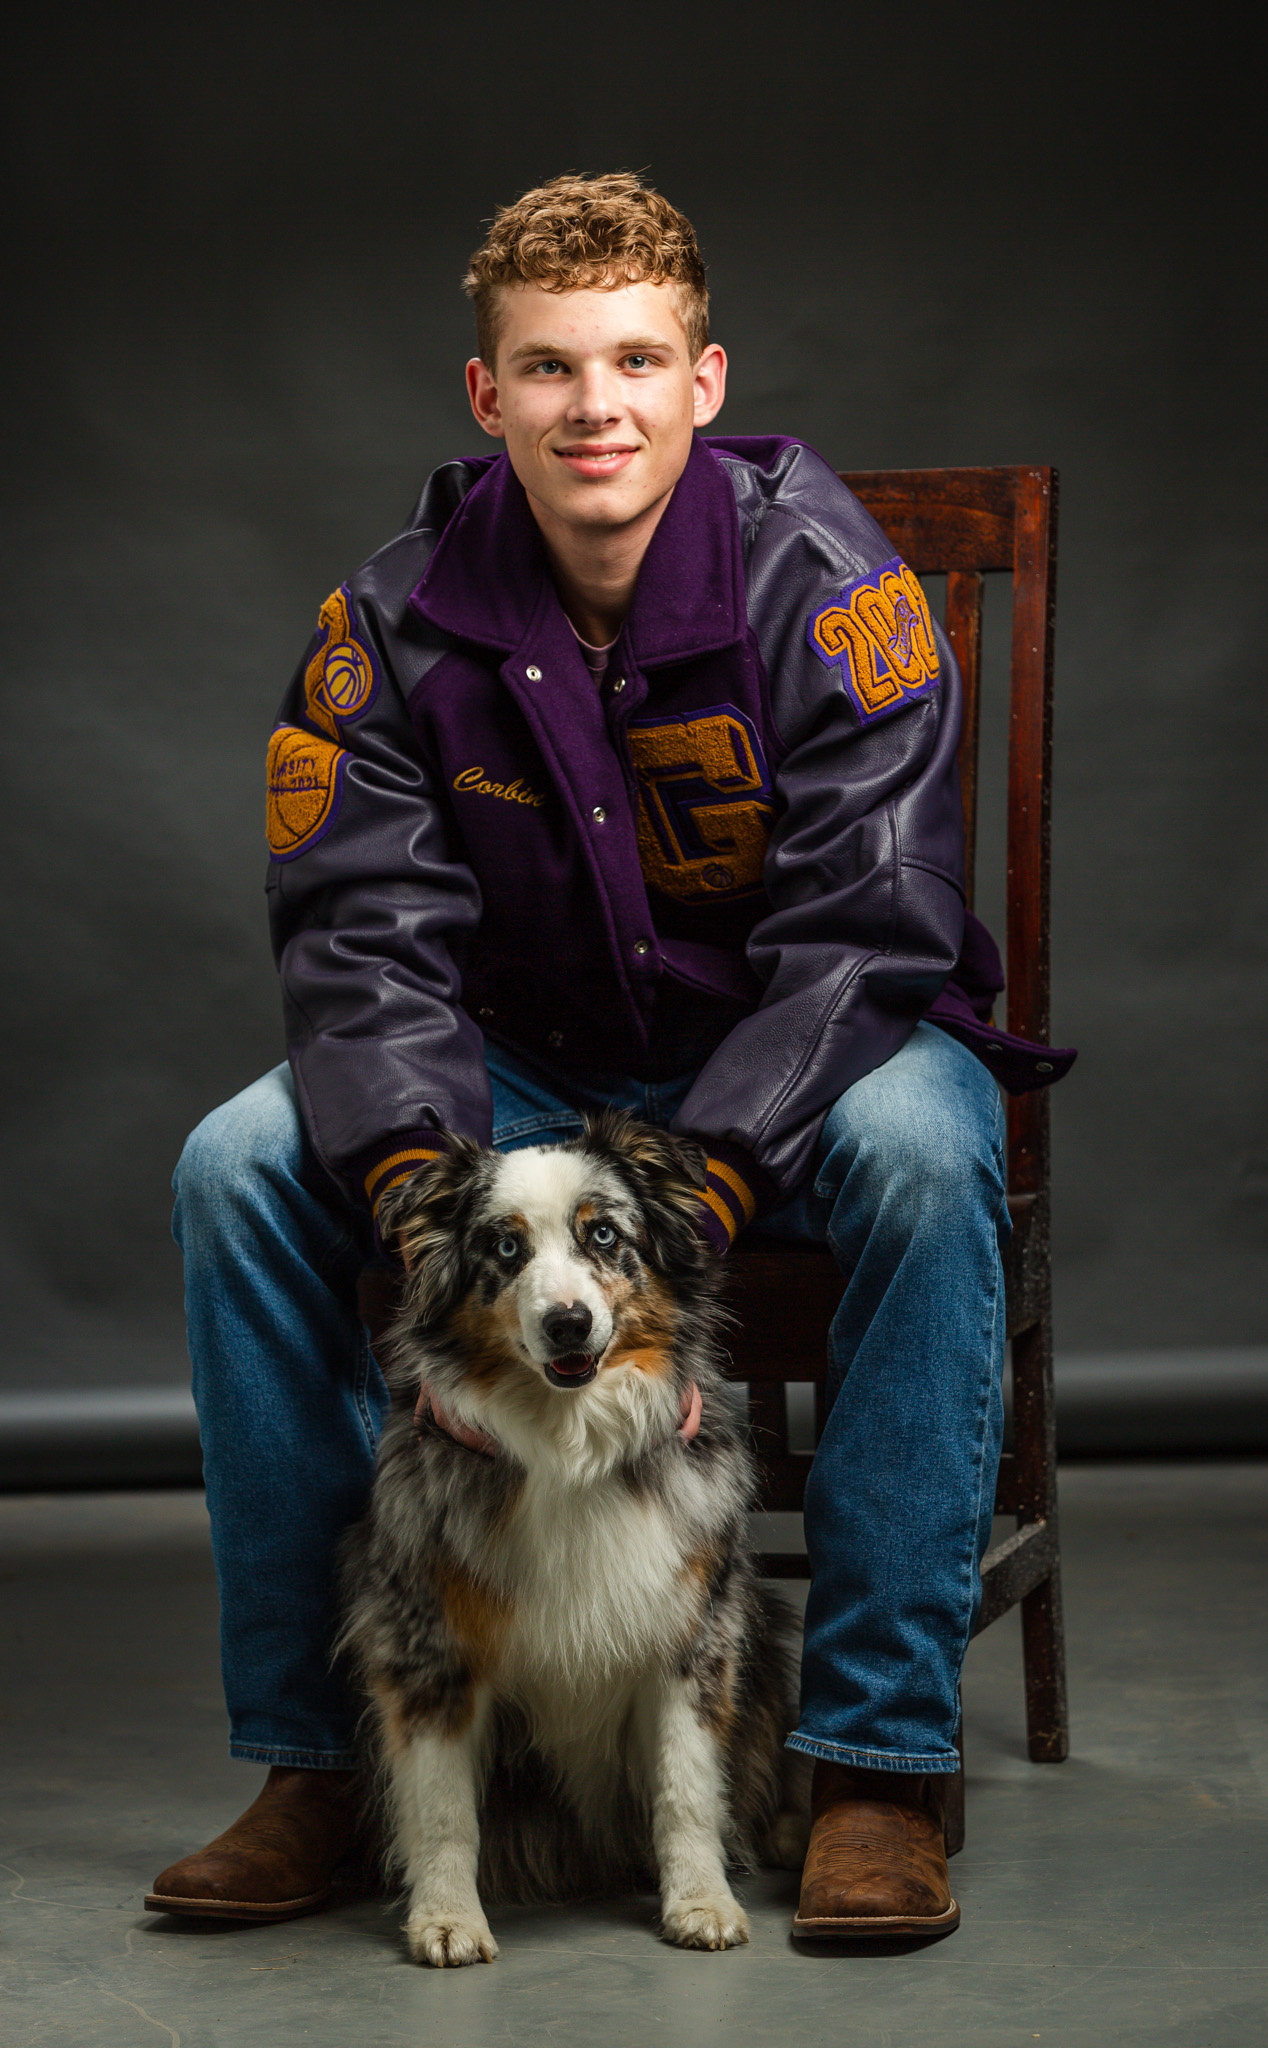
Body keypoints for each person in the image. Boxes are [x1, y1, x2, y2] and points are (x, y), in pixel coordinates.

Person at [152, 173, 1072, 1940]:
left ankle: (873, 1765)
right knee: (234, 1169)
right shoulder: (397, 620)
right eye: (552, 369)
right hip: (513, 1074)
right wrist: (418, 1176)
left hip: (799, 1056)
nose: (599, 407)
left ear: (704, 383)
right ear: (487, 397)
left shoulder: (829, 586)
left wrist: (711, 1162)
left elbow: (872, 919)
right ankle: (320, 1760)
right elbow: (358, 931)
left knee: (923, 1153)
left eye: (636, 362)